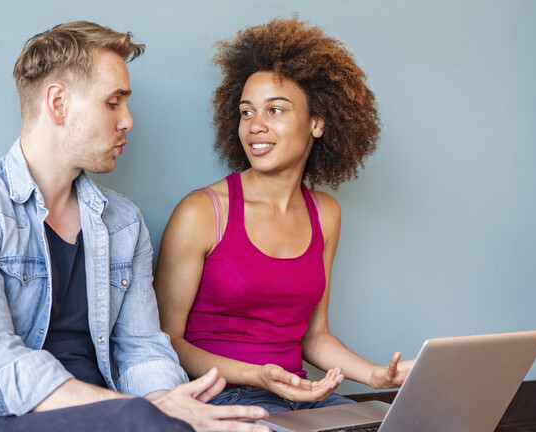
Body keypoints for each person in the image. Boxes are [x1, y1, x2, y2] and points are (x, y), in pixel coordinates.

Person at [0, 21, 270, 432]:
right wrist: (136, 411)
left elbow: (143, 349)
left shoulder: (123, 222)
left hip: (110, 418)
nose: (128, 121)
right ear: (58, 103)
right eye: (113, 102)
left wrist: (167, 401)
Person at [154, 17, 414, 415]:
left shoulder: (325, 213)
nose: (256, 126)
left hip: (301, 395)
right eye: (246, 112)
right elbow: (165, 341)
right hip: (222, 397)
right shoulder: (203, 211)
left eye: (275, 110)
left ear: (317, 122)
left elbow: (315, 337)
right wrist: (257, 375)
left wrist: (377, 376)